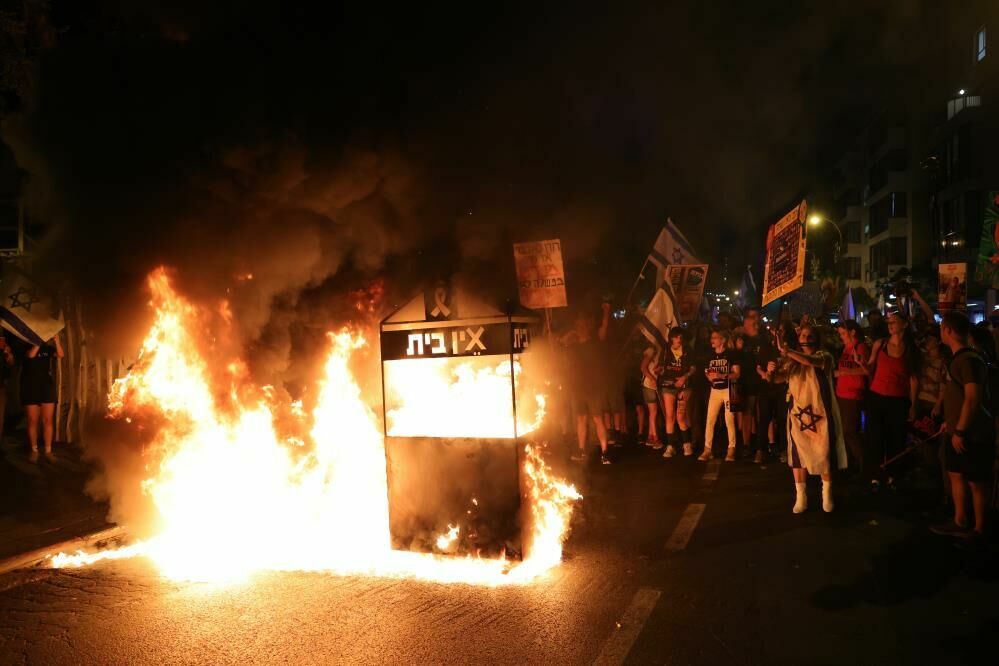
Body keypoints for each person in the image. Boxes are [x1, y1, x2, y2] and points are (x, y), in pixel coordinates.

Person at [932, 312, 995, 540]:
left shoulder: (969, 360)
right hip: (955, 430)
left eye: (942, 328)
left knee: (976, 481)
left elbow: (972, 398)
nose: (940, 332)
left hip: (973, 434)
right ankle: (960, 520)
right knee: (956, 474)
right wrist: (950, 425)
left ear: (948, 330)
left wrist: (960, 429)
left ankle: (979, 528)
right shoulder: (957, 359)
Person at [776, 325, 847, 513]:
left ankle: (827, 493)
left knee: (823, 452)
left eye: (810, 335)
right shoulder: (791, 360)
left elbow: (812, 362)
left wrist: (788, 351)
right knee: (799, 454)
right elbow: (779, 378)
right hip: (798, 414)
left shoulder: (825, 356)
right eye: (803, 335)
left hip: (821, 414)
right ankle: (801, 496)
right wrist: (770, 372)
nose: (806, 338)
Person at [862, 311, 920, 492]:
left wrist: (913, 405)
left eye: (894, 322)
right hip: (877, 397)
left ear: (904, 324)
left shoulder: (911, 349)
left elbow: (914, 379)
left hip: (898, 400)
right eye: (889, 322)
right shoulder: (880, 344)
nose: (890, 324)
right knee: (875, 438)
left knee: (896, 439)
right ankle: (875, 475)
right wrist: (862, 363)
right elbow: (870, 367)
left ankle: (893, 475)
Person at [562, 312, 612, 465]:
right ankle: (582, 451)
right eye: (578, 326)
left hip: (594, 389)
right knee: (581, 420)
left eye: (583, 326)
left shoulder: (595, 343)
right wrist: (570, 334)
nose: (580, 329)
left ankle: (605, 453)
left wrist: (606, 313)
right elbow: (559, 343)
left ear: (588, 328)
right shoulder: (573, 347)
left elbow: (603, 330)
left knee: (598, 419)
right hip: (578, 389)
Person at [698, 328, 740, 462]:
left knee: (729, 419)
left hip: (729, 389)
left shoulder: (731, 355)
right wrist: (708, 377)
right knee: (710, 419)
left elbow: (737, 374)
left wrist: (722, 375)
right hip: (715, 390)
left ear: (722, 340)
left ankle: (731, 448)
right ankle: (707, 449)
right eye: (712, 338)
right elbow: (706, 371)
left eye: (715, 338)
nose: (712, 340)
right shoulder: (709, 355)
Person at [834, 321, 869, 477]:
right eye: (840, 334)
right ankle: (851, 464)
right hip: (842, 393)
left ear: (852, 332)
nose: (841, 336)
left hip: (853, 394)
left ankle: (864, 464)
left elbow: (865, 370)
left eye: (843, 333)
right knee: (844, 431)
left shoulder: (860, 347)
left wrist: (843, 373)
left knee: (850, 431)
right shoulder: (846, 348)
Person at [22, 334, 64, 463]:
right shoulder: (25, 345)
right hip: (30, 387)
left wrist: (56, 341)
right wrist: (39, 340)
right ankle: (34, 450)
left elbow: (61, 355)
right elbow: (31, 355)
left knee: (47, 420)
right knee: (32, 420)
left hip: (46, 387)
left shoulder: (48, 348)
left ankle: (48, 451)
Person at [657, 327, 696, 458]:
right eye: (677, 336)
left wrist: (684, 377)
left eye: (681, 337)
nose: (679, 339)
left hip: (684, 386)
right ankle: (670, 445)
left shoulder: (688, 350)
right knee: (669, 416)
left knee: (680, 416)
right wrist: (660, 369)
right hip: (668, 386)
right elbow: (662, 366)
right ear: (671, 338)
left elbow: (693, 368)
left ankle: (687, 443)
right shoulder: (666, 351)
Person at [741, 308, 771, 463]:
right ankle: (747, 444)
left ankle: (765, 444)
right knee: (747, 413)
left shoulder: (763, 340)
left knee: (762, 414)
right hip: (747, 382)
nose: (745, 322)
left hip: (761, 381)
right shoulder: (743, 341)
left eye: (749, 320)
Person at [0, 334, 13, 441]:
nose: (2, 343)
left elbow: (10, 368)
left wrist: (8, 355)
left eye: (3, 340)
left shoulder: (5, 353)